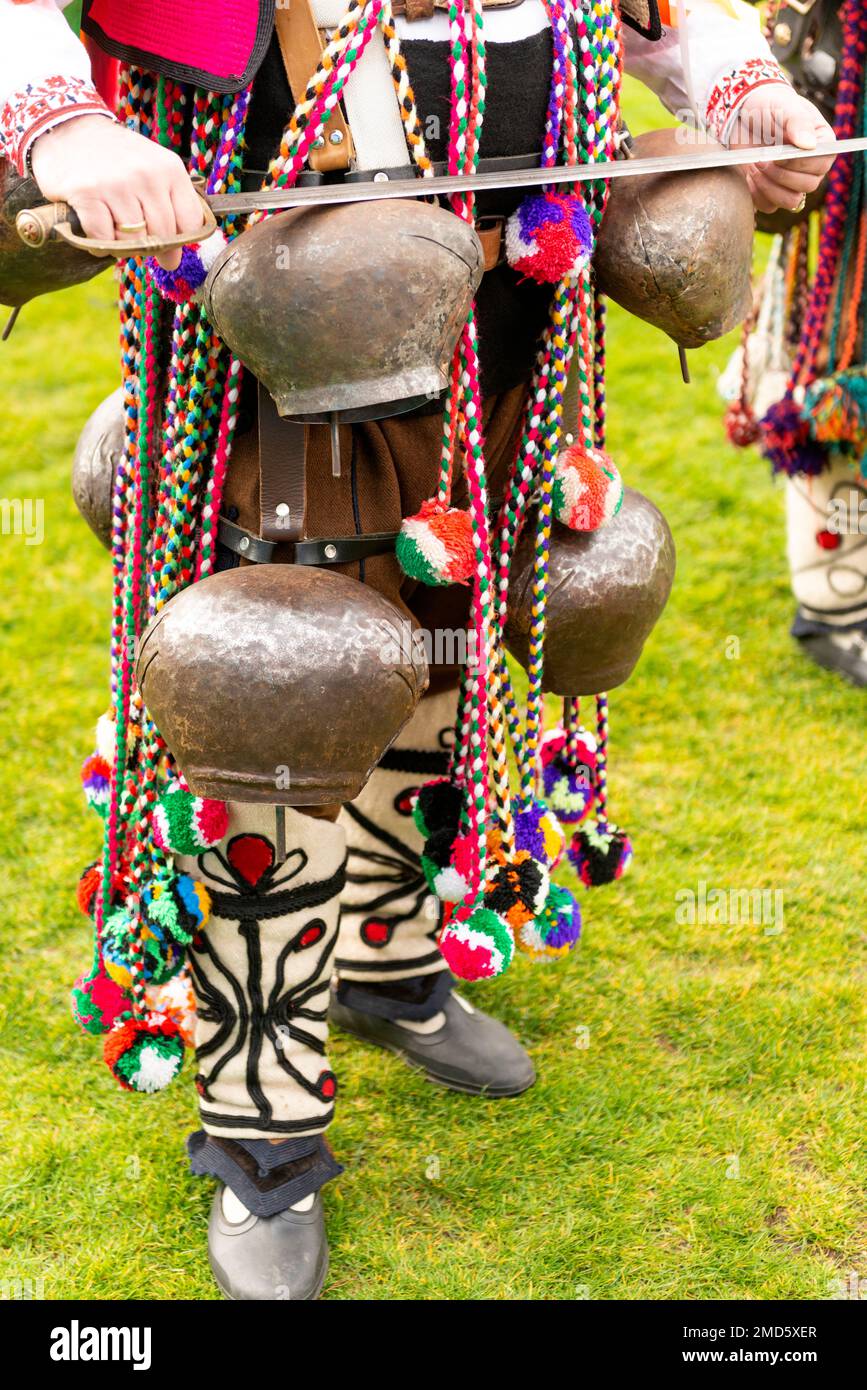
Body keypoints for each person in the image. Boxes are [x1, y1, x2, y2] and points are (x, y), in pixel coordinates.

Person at [0, 0, 835, 1301]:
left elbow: (660, 22)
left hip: (497, 344)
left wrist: (749, 101)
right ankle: (260, 1126)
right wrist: (63, 133)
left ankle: (388, 959)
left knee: (440, 659)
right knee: (283, 696)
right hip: (272, 365)